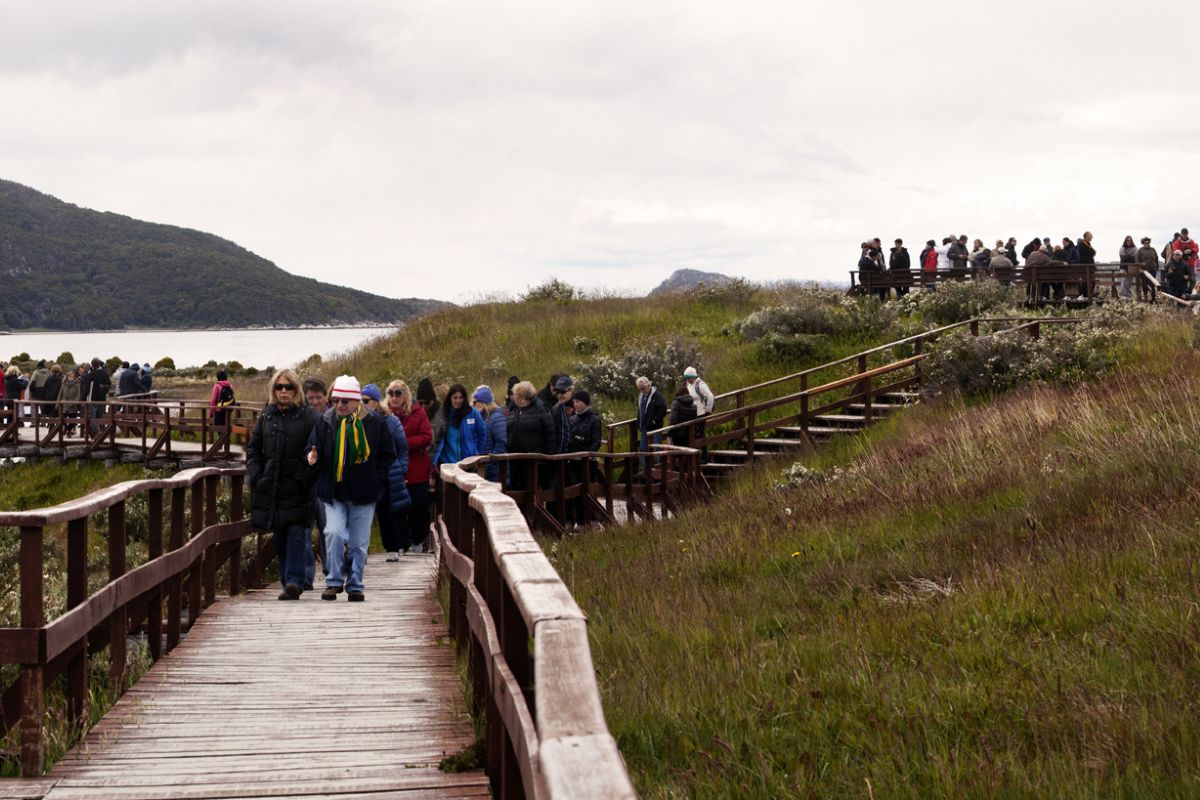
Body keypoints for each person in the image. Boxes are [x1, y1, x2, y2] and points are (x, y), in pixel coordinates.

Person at [306, 375, 396, 602]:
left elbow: (388, 454)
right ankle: (334, 581)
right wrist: (312, 457)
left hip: (364, 493)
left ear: (357, 401)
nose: (340, 405)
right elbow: (311, 448)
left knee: (358, 542)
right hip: (332, 491)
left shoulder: (375, 423)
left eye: (345, 401)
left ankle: (355, 584)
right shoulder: (325, 421)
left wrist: (377, 479)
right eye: (336, 400)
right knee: (333, 533)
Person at [246, 369, 318, 601]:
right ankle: (289, 581)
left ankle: (295, 582)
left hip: (297, 487)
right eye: (279, 387)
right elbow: (254, 449)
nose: (284, 391)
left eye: (289, 387)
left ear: (296, 390)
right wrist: (257, 476)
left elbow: (317, 451)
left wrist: (304, 477)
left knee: (297, 532)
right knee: (281, 536)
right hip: (273, 487)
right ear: (273, 390)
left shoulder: (309, 416)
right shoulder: (267, 416)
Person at [361, 384, 411, 563]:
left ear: (375, 402)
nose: (362, 404)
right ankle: (362, 550)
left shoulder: (391, 421)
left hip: (389, 471)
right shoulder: (358, 420)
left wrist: (402, 469)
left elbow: (402, 448)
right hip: (367, 473)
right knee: (368, 513)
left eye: (365, 401)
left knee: (390, 511)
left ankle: (393, 547)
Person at [388, 381, 432, 554]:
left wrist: (403, 443)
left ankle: (418, 541)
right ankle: (400, 544)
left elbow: (427, 437)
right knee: (397, 509)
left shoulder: (418, 412)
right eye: (390, 393)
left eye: (398, 393)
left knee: (418, 508)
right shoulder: (387, 414)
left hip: (417, 469)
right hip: (396, 469)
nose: (394, 397)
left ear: (405, 394)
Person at [505, 380, 555, 491]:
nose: (512, 397)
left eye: (515, 394)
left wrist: (549, 459)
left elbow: (550, 435)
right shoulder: (514, 410)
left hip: (534, 463)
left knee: (531, 494)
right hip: (514, 461)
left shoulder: (541, 411)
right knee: (516, 492)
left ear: (522, 396)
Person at [301, 377, 328, 583]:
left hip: (326, 482)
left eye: (318, 397)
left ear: (325, 397)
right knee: (304, 530)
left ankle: (330, 570)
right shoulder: (300, 417)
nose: (314, 402)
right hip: (304, 482)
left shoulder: (333, 417)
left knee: (327, 529)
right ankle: (306, 575)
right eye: (310, 398)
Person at [566, 389, 602, 525]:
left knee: (589, 491)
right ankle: (580, 521)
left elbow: (596, 441)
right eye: (574, 401)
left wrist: (588, 455)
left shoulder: (595, 419)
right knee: (575, 491)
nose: (575, 404)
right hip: (573, 462)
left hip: (588, 462)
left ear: (586, 403)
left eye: (578, 401)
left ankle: (593, 519)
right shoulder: (572, 419)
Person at [472, 385, 508, 483]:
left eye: (476, 403)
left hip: (495, 471)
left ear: (482, 403)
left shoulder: (496, 418)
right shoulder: (487, 418)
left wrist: (490, 462)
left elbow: (502, 442)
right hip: (489, 469)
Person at [635, 376, 667, 472]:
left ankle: (660, 469)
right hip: (644, 427)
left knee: (658, 447)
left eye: (642, 388)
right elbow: (640, 410)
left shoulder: (657, 395)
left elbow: (663, 409)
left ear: (648, 385)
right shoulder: (641, 396)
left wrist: (654, 420)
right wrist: (638, 421)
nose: (641, 390)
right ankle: (646, 470)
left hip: (656, 427)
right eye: (639, 389)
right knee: (642, 448)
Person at [683, 366, 714, 455]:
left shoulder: (700, 384)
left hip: (701, 413)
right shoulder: (689, 385)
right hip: (694, 414)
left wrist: (708, 411)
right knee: (694, 435)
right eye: (686, 378)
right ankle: (698, 455)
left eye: (688, 378)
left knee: (701, 435)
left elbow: (710, 397)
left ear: (693, 376)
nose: (687, 380)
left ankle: (704, 455)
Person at [79, 357, 110, 433]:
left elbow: (86, 388)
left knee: (92, 419)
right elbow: (109, 385)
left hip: (92, 399)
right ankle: (96, 436)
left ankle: (98, 436)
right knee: (98, 419)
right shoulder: (105, 374)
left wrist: (82, 399)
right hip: (102, 400)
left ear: (92, 365)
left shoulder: (91, 374)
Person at [550, 376, 573, 454]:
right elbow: (563, 435)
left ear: (571, 390)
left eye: (563, 391)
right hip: (560, 457)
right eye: (557, 392)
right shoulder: (559, 407)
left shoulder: (561, 406)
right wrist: (560, 456)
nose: (560, 395)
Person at [58, 365, 82, 434]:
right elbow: (60, 394)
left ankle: (70, 429)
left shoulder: (77, 384)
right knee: (63, 418)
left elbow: (78, 395)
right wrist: (58, 403)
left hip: (73, 405)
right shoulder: (63, 384)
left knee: (73, 419)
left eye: (72, 377)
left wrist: (74, 402)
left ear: (74, 378)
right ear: (67, 377)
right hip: (64, 404)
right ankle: (66, 429)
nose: (71, 378)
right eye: (69, 377)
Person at [1135, 236, 1159, 302]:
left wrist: (1157, 267)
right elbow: (1137, 261)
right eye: (1145, 243)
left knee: (1153, 284)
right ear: (1143, 243)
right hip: (1144, 271)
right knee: (1144, 284)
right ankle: (1145, 298)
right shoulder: (1140, 250)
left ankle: (1153, 298)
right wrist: (1140, 269)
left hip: (1153, 270)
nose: (1147, 244)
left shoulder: (1153, 249)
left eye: (1148, 243)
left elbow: (1156, 258)